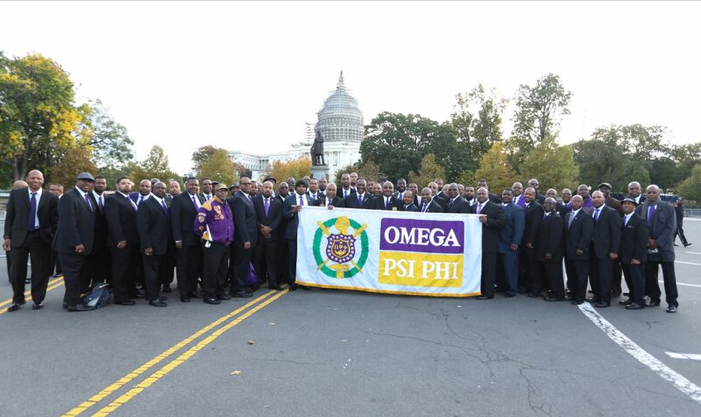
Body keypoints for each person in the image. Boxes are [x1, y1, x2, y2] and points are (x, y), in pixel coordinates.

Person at [4, 170, 59, 312]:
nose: (35, 180)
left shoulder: (51, 197)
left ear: (42, 181)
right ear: (27, 179)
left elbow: (56, 220)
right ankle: (17, 299)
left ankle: (38, 299)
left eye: (38, 178)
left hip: (41, 237)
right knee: (16, 270)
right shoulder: (16, 195)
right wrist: (7, 237)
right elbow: (10, 216)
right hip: (19, 236)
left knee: (40, 271)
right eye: (32, 178)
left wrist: (51, 236)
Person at [55, 172, 97, 312]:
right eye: (84, 180)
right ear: (77, 181)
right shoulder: (69, 197)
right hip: (71, 246)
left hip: (83, 245)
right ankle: (73, 304)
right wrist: (76, 242)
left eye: (90, 181)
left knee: (78, 275)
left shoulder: (87, 198)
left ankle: (69, 300)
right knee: (72, 276)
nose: (87, 183)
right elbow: (68, 223)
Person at [636, 185, 678, 313]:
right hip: (648, 247)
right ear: (646, 194)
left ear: (659, 193)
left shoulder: (668, 208)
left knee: (669, 277)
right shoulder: (641, 208)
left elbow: (671, 228)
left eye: (654, 192)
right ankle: (654, 298)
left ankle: (672, 302)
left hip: (664, 248)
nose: (651, 195)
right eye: (649, 193)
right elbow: (639, 226)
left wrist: (658, 243)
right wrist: (647, 241)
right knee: (650, 276)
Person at [195, 183, 235, 304]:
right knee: (211, 270)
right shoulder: (208, 205)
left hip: (226, 243)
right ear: (215, 191)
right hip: (213, 244)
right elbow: (199, 225)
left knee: (222, 270)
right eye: (220, 190)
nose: (223, 193)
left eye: (225, 191)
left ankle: (219, 291)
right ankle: (209, 294)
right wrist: (205, 237)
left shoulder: (226, 204)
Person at [104, 176, 140, 305]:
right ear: (117, 186)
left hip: (133, 241)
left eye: (128, 183)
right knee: (120, 269)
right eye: (123, 183)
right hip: (121, 242)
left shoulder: (129, 199)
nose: (126, 185)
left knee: (131, 269)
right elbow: (113, 221)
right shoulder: (113, 199)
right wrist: (120, 238)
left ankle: (131, 291)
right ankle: (120, 296)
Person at [136, 181, 173, 307]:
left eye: (163, 188)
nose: (161, 190)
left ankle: (155, 293)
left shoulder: (165, 203)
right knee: (151, 273)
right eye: (158, 188)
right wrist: (147, 246)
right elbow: (143, 227)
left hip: (163, 246)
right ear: (152, 189)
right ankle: (153, 297)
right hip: (151, 246)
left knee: (159, 272)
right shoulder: (145, 204)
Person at [170, 177, 205, 302]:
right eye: (191, 185)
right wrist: (177, 239)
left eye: (196, 185)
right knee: (183, 267)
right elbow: (175, 221)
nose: (194, 187)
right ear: (186, 185)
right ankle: (184, 293)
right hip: (184, 240)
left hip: (198, 240)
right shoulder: (178, 199)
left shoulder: (201, 199)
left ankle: (193, 290)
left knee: (195, 266)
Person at [588, 190, 622, 308]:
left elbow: (616, 233)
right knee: (594, 274)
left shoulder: (612, 213)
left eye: (598, 197)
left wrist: (614, 250)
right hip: (591, 249)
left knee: (605, 276)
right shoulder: (591, 211)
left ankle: (605, 299)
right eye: (594, 197)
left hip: (606, 250)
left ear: (604, 199)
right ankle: (597, 295)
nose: (596, 199)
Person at [472, 187, 506, 299]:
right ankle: (479, 290)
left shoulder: (496, 207)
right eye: (479, 194)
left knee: (489, 269)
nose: (481, 195)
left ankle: (488, 293)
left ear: (487, 195)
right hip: (474, 244)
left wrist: (488, 221)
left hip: (489, 245)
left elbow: (502, 223)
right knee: (477, 269)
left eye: (483, 193)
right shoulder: (473, 207)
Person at [229, 177, 257, 298]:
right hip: (242, 240)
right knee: (239, 264)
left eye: (248, 183)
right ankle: (237, 289)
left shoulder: (247, 197)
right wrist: (245, 239)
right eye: (244, 184)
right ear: (239, 185)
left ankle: (240, 286)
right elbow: (240, 221)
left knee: (243, 264)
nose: (247, 185)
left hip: (249, 237)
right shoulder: (238, 198)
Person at [253, 181, 283, 290]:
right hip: (258, 236)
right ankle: (255, 283)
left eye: (270, 188)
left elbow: (279, 218)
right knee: (257, 260)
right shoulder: (255, 200)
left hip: (272, 236)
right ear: (262, 188)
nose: (268, 189)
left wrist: (269, 229)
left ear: (273, 189)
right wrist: (261, 229)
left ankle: (273, 283)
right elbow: (253, 217)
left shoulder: (277, 202)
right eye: (266, 187)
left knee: (272, 261)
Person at [563, 195, 594, 305]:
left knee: (581, 276)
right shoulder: (567, 215)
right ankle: (573, 294)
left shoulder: (586, 216)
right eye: (574, 201)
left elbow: (587, 235)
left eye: (578, 201)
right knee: (571, 275)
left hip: (580, 252)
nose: (576, 203)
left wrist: (581, 248)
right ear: (571, 202)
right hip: (568, 251)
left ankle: (580, 297)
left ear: (582, 203)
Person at [619, 198, 649, 310]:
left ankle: (639, 301)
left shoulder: (640, 221)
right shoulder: (622, 219)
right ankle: (632, 297)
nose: (626, 205)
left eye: (629, 204)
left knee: (637, 280)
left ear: (634, 206)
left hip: (635, 258)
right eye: (624, 204)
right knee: (629, 279)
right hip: (625, 257)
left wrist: (637, 257)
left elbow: (642, 241)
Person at [534, 198, 565, 301]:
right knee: (550, 274)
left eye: (550, 203)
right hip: (544, 250)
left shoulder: (556, 217)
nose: (548, 205)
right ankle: (552, 291)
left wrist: (550, 252)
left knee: (555, 274)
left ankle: (558, 295)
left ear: (555, 205)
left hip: (553, 252)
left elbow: (555, 237)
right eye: (546, 203)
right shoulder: (545, 216)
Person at [283, 180, 311, 290]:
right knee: (292, 258)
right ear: (295, 188)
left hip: (306, 235)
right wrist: (293, 211)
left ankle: (304, 281)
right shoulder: (289, 200)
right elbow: (284, 215)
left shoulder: (311, 200)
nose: (301, 188)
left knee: (305, 258)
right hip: (293, 234)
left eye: (303, 187)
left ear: (306, 188)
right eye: (299, 186)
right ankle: (293, 281)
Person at [497, 189, 524, 297]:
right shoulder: (497, 207)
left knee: (510, 268)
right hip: (498, 243)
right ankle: (501, 286)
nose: (506, 196)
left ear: (512, 196)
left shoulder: (517, 209)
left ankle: (512, 289)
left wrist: (515, 243)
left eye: (508, 194)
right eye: (504, 194)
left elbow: (519, 228)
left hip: (510, 244)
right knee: (500, 267)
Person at [86, 175, 110, 291]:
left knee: (102, 267)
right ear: (93, 184)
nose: (101, 185)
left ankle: (99, 290)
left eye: (103, 183)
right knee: (89, 268)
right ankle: (86, 291)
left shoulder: (109, 199)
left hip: (106, 240)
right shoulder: (87, 198)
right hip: (90, 240)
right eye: (98, 183)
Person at [520, 187, 544, 296]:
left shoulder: (537, 207)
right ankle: (528, 286)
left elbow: (535, 226)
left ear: (534, 196)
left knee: (533, 267)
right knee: (526, 266)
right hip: (523, 241)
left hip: (532, 243)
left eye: (530, 194)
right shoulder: (524, 206)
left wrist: (530, 241)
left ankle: (536, 288)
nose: (527, 196)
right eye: (526, 194)